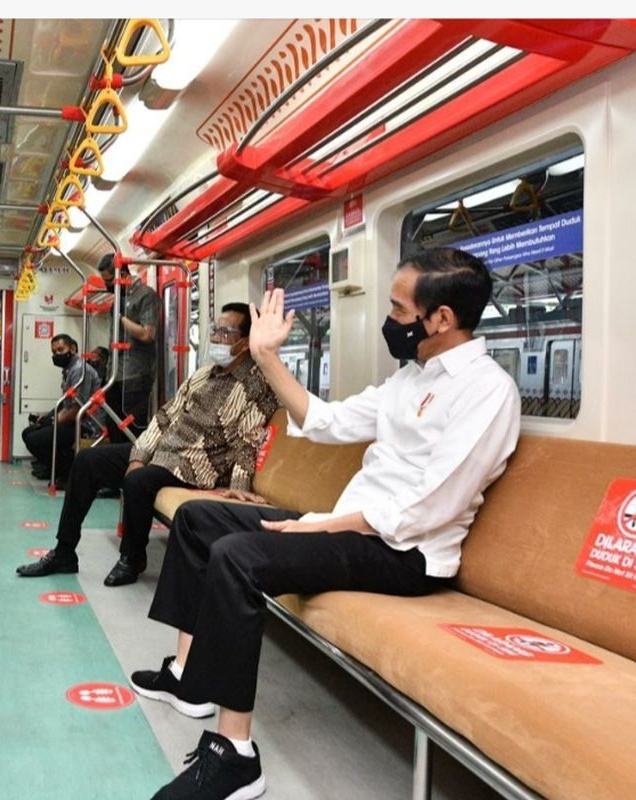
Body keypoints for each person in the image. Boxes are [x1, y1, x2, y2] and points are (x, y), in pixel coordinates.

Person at [135, 248, 521, 800]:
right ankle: (187, 676)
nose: (391, 320)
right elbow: (324, 421)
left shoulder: (486, 391)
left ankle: (234, 755)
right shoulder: (410, 380)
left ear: (440, 318)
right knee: (198, 519)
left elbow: (429, 506)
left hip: (403, 552)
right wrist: (268, 357)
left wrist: (320, 529)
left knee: (240, 557)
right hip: (349, 527)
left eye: (399, 308)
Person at [17, 303, 278, 586]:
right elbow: (165, 417)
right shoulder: (203, 374)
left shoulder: (258, 385)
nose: (215, 339)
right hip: (164, 452)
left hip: (196, 466)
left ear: (244, 342)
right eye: (214, 330)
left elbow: (248, 439)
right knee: (87, 460)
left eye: (224, 333)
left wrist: (238, 488)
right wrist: (138, 455)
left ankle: (132, 557)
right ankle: (64, 551)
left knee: (138, 481)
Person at [21, 334, 102, 487]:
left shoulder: (79, 371)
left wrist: (52, 421)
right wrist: (47, 416)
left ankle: (65, 472)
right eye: (54, 352)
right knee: (28, 433)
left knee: (34, 439)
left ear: (72, 349)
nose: (57, 355)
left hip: (85, 425)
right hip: (72, 420)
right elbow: (66, 403)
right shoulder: (69, 370)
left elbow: (78, 409)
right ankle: (53, 468)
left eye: (60, 349)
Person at [97, 253, 160, 443]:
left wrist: (121, 319)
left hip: (135, 377)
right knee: (114, 429)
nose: (108, 286)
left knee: (131, 432)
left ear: (123, 275)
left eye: (109, 280)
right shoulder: (119, 300)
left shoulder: (146, 295)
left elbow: (147, 334)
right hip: (116, 375)